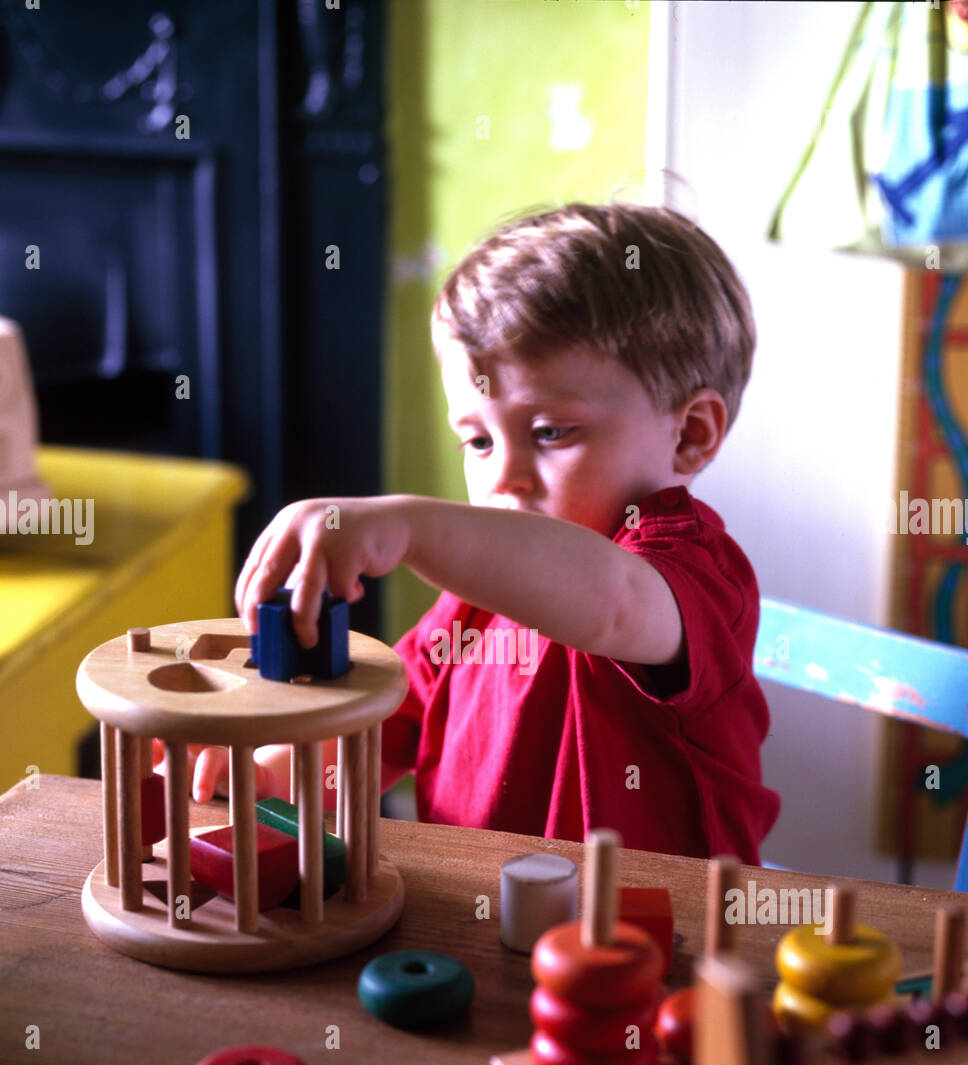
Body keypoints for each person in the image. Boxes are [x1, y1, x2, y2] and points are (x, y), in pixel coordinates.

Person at [181, 200, 780, 861]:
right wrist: (273, 772)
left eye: (551, 432)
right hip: (477, 928)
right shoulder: (473, 602)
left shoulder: (690, 571)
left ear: (691, 434)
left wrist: (409, 524)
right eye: (477, 439)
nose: (504, 478)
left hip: (663, 944)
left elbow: (610, 606)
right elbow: (383, 724)